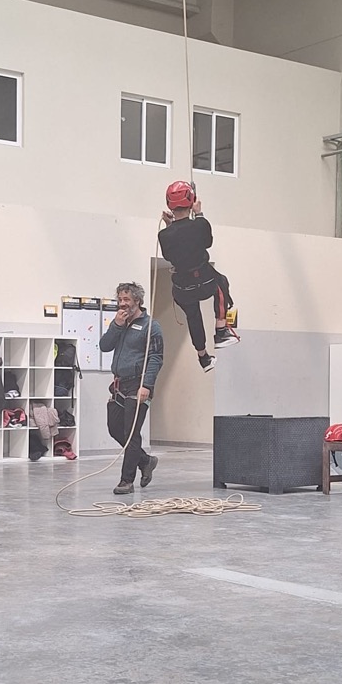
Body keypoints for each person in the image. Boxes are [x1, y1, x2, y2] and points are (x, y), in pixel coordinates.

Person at [158, 180, 236, 373]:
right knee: (221, 282)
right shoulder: (200, 224)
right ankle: (220, 330)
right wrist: (199, 213)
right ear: (192, 201)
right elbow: (207, 242)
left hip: (182, 289)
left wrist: (170, 225)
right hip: (203, 280)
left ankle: (203, 357)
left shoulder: (164, 235)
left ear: (169, 204)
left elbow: (171, 252)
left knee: (193, 316)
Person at [99, 281, 164, 497]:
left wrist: (147, 385)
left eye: (126, 299)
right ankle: (145, 461)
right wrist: (116, 325)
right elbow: (105, 346)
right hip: (119, 385)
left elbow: (156, 358)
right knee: (114, 429)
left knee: (131, 433)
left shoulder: (151, 326)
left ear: (137, 300)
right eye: (120, 299)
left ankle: (126, 481)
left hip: (138, 385)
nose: (122, 303)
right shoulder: (119, 323)